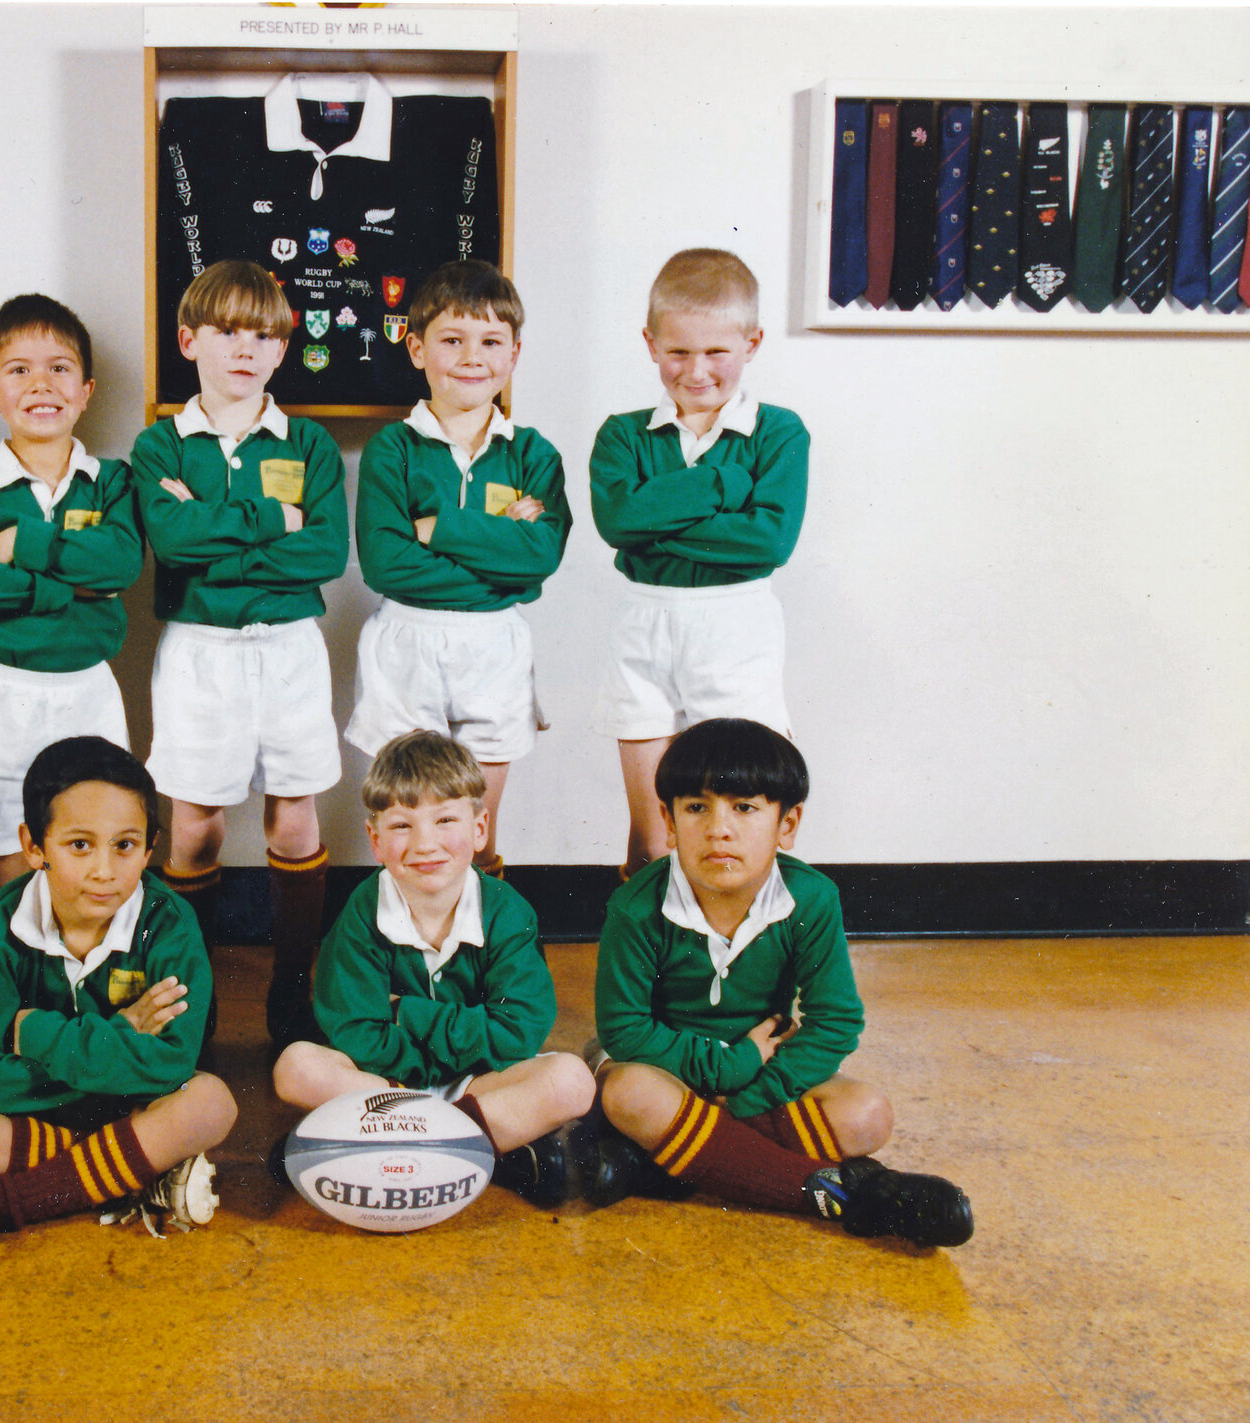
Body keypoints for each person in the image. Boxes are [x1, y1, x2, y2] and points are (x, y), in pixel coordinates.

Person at [581, 718, 974, 1247]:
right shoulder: (635, 908)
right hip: (665, 1068)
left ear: (786, 825)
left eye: (744, 808)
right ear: (668, 823)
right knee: (629, 1095)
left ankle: (668, 1161)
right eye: (696, 808)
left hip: (758, 1078)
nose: (719, 829)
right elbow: (626, 1030)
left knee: (867, 1114)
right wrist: (729, 1066)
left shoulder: (811, 900)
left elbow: (834, 1023)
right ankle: (850, 1193)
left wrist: (745, 1097)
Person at [0, 737, 237, 1265]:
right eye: (80, 845)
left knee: (212, 1102)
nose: (104, 870)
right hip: (63, 1117)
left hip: (123, 1106)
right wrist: (121, 1035)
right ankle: (130, 1173)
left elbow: (173, 1062)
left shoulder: (170, 923)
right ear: (34, 847)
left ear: (150, 849)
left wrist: (35, 1033)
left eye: (124, 846)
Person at [130, 259, 350, 1044]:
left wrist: (217, 521)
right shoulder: (159, 447)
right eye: (226, 330)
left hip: (289, 648)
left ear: (283, 348)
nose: (244, 348)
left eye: (263, 334)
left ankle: (291, 989)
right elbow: (172, 543)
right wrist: (273, 519)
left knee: (293, 818)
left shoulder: (310, 443)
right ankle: (195, 995)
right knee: (193, 826)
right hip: (199, 650)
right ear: (189, 339)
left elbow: (323, 554)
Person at [272, 731, 596, 1206]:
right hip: (384, 1084)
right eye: (402, 826)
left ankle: (368, 1140)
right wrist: (418, 1085)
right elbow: (356, 1034)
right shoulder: (362, 912)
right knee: (296, 1067)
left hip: (480, 1081)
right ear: (375, 839)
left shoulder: (507, 911)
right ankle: (485, 1144)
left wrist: (406, 1013)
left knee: (571, 1081)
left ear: (480, 829)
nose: (426, 844)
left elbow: (517, 1034)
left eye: (446, 819)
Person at [587, 249, 809, 878]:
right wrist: (720, 485)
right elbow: (618, 524)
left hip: (735, 627)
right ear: (650, 343)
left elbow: (768, 543)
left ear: (752, 342)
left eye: (717, 352)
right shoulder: (624, 434)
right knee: (654, 832)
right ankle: (651, 969)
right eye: (678, 352)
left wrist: (654, 527)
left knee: (739, 823)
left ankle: (741, 968)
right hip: (646, 628)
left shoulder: (780, 432)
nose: (697, 370)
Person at [347, 260, 569, 879]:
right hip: (406, 642)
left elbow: (539, 562)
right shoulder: (393, 448)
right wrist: (501, 552)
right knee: (409, 815)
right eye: (452, 340)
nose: (472, 357)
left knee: (475, 825)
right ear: (416, 349)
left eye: (491, 342)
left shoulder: (533, 453)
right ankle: (404, 952)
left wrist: (438, 528)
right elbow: (388, 565)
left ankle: (476, 956)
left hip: (494, 644)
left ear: (514, 354)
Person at [0, 294, 141, 901]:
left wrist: (19, 544)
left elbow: (120, 562)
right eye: (18, 369)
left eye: (59, 368)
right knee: (6, 860)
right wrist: (67, 587)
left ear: (86, 390)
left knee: (90, 851)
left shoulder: (113, 481)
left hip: (87, 692)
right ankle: (3, 990)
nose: (40, 384)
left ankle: (72, 985)